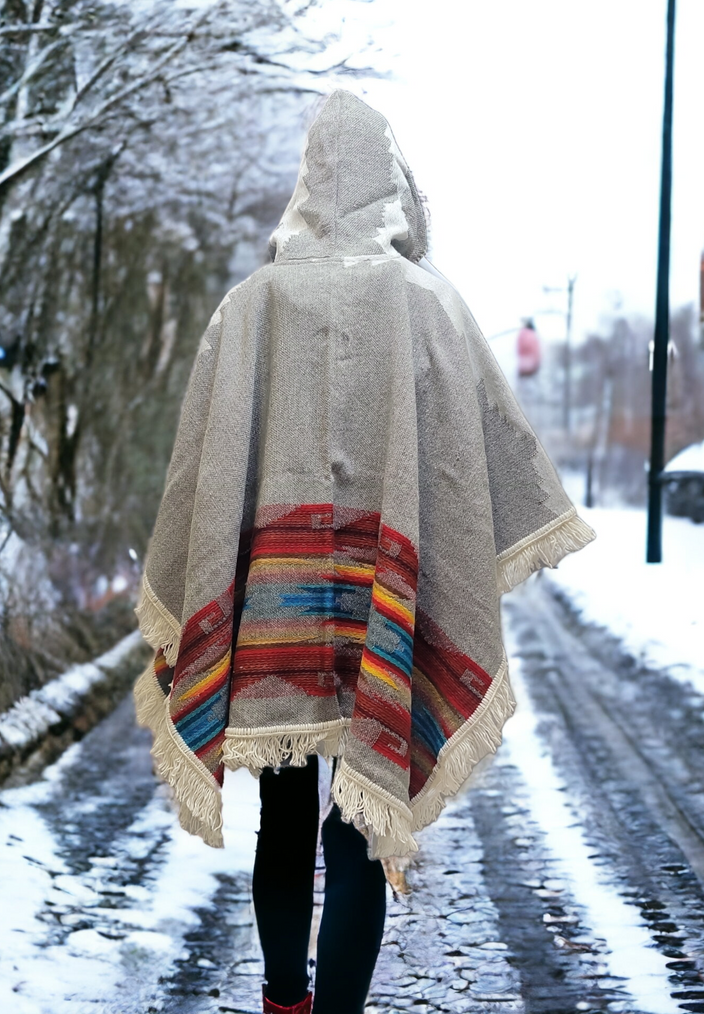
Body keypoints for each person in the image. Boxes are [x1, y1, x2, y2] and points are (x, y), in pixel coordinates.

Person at [133, 90, 594, 1014]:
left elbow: (200, 474)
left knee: (283, 820)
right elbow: (485, 457)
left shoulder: (251, 306)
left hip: (271, 608)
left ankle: (284, 1002)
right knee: (356, 833)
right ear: (392, 182)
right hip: (386, 595)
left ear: (308, 180)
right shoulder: (428, 306)